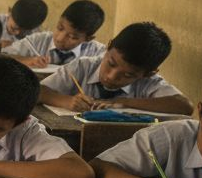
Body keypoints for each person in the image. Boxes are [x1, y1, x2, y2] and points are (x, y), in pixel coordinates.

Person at [39, 22, 193, 115]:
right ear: (108, 46)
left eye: (128, 75)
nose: (111, 77)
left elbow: (184, 105)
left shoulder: (149, 82)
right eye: (111, 64)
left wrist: (126, 102)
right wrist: (67, 101)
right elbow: (37, 91)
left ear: (148, 74)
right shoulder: (82, 67)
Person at [4, 0, 106, 67]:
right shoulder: (37, 41)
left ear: (88, 39)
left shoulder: (97, 54)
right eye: (60, 28)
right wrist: (27, 60)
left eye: (72, 37)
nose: (59, 38)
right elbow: (0, 56)